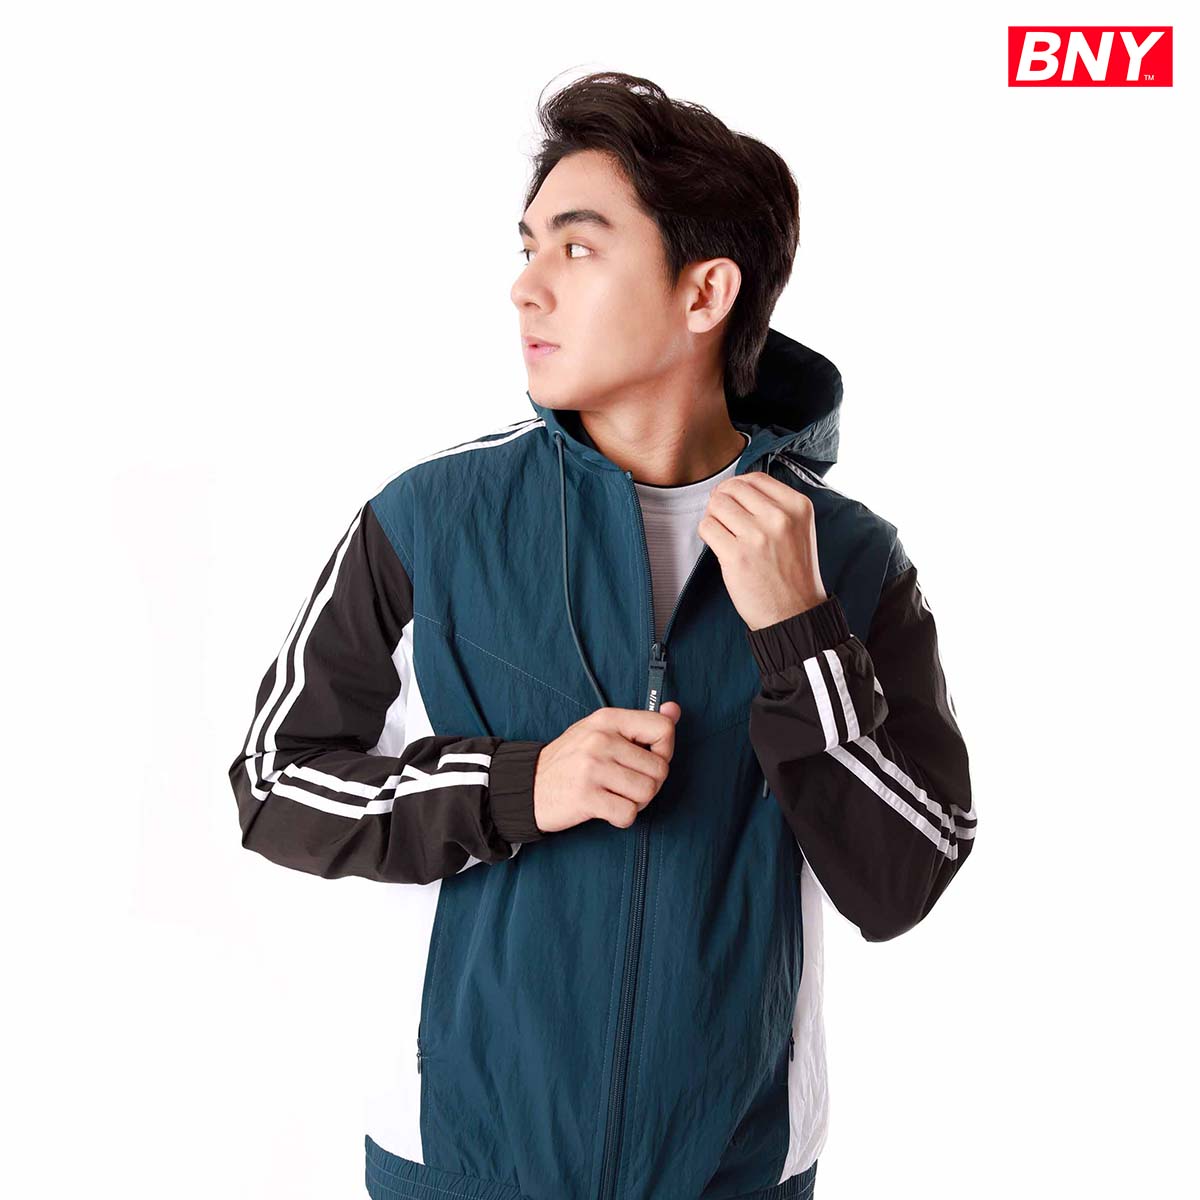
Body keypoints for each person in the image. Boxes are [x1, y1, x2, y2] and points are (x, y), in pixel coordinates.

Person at [228, 70, 976, 1200]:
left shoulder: (852, 560)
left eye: (577, 248)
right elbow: (273, 783)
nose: (525, 287)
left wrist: (802, 635)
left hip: (732, 1169)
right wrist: (519, 786)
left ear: (704, 291)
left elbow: (904, 876)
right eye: (528, 248)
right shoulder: (430, 521)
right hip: (461, 1161)